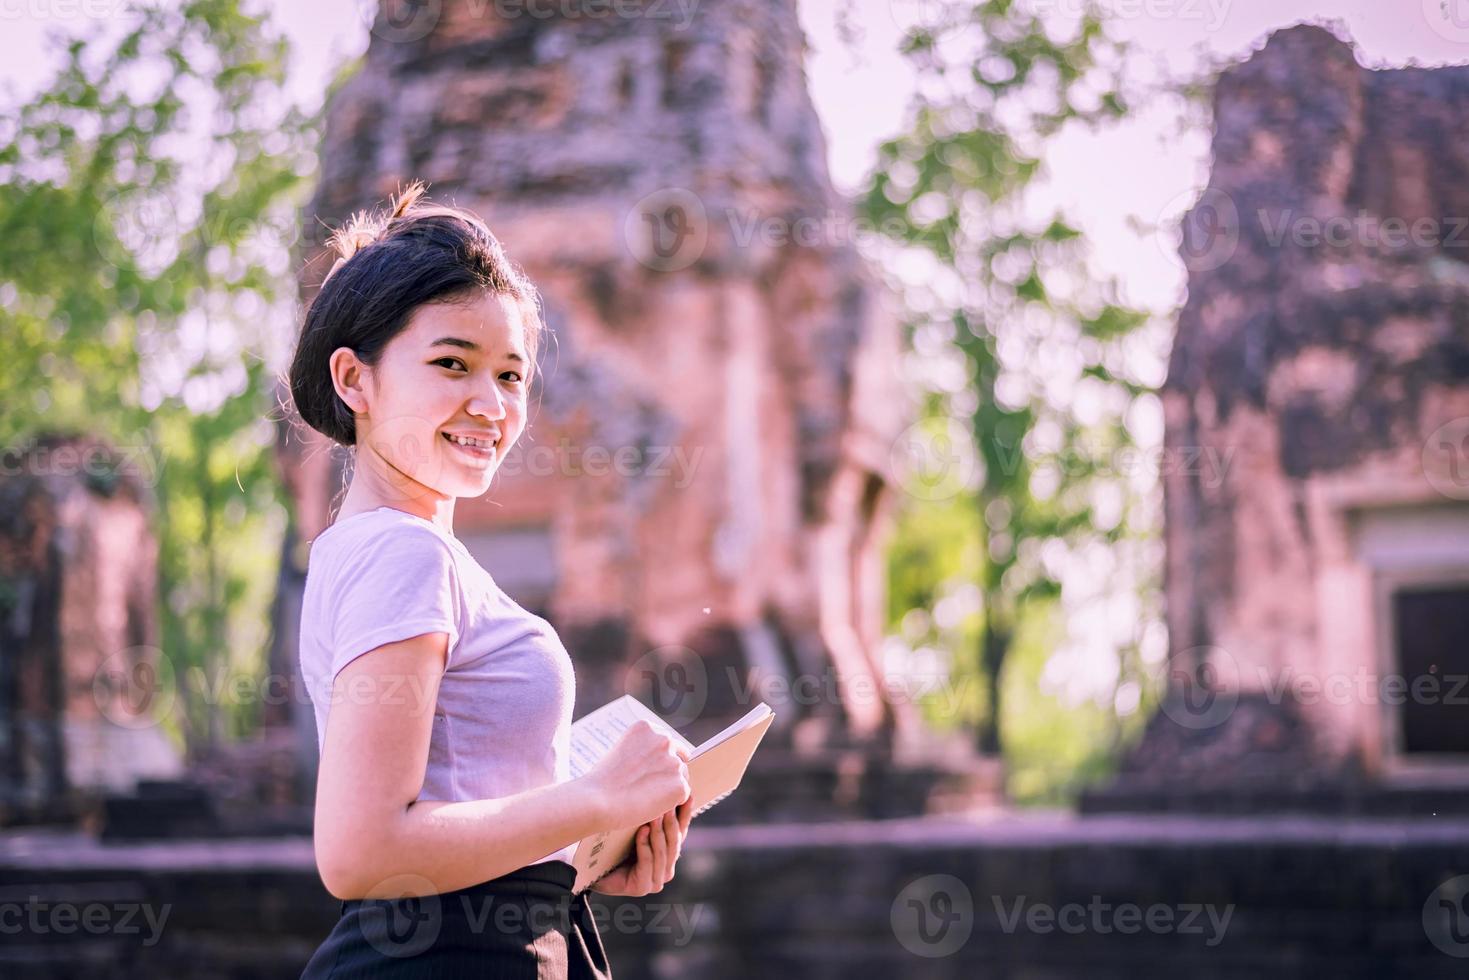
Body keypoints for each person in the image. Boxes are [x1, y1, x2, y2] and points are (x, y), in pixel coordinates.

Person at [290, 181, 692, 978]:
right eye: (451, 364)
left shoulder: (380, 549)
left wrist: (577, 855)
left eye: (510, 376)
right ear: (353, 381)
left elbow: (449, 809)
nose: (489, 403)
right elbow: (363, 851)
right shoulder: (404, 554)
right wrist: (598, 799)